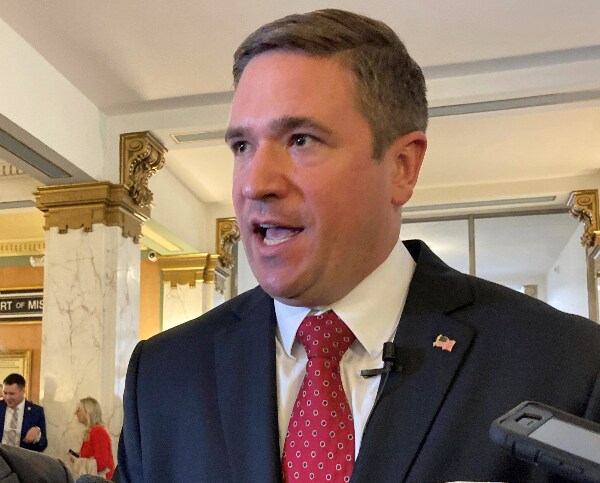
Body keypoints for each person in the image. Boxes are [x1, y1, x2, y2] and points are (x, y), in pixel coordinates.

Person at [118, 9, 600, 483]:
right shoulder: (164, 374)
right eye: (242, 146)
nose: (254, 184)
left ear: (402, 167)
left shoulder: (566, 364)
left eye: (301, 140)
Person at [1, 373, 47, 452]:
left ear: (23, 391)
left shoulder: (36, 412)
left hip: (23, 458)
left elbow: (43, 445)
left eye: (12, 394)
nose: (7, 397)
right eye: (5, 393)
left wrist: (38, 435)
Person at [73, 397, 115, 480]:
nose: (75, 413)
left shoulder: (98, 431)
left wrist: (78, 461)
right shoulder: (91, 432)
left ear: (88, 412)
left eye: (79, 409)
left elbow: (102, 464)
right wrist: (79, 458)